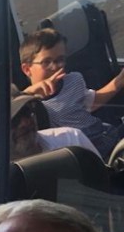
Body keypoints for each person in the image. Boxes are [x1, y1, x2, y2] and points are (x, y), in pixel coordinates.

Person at [19, 27, 124, 160]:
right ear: (27, 69)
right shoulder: (29, 106)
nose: (55, 66)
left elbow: (91, 102)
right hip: (86, 151)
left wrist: (119, 81)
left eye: (60, 59)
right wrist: (28, 94)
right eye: (47, 62)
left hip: (106, 134)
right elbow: (8, 113)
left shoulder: (73, 80)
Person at [10, 92, 100, 160]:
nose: (25, 123)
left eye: (26, 112)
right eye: (15, 119)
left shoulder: (70, 139)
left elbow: (104, 178)